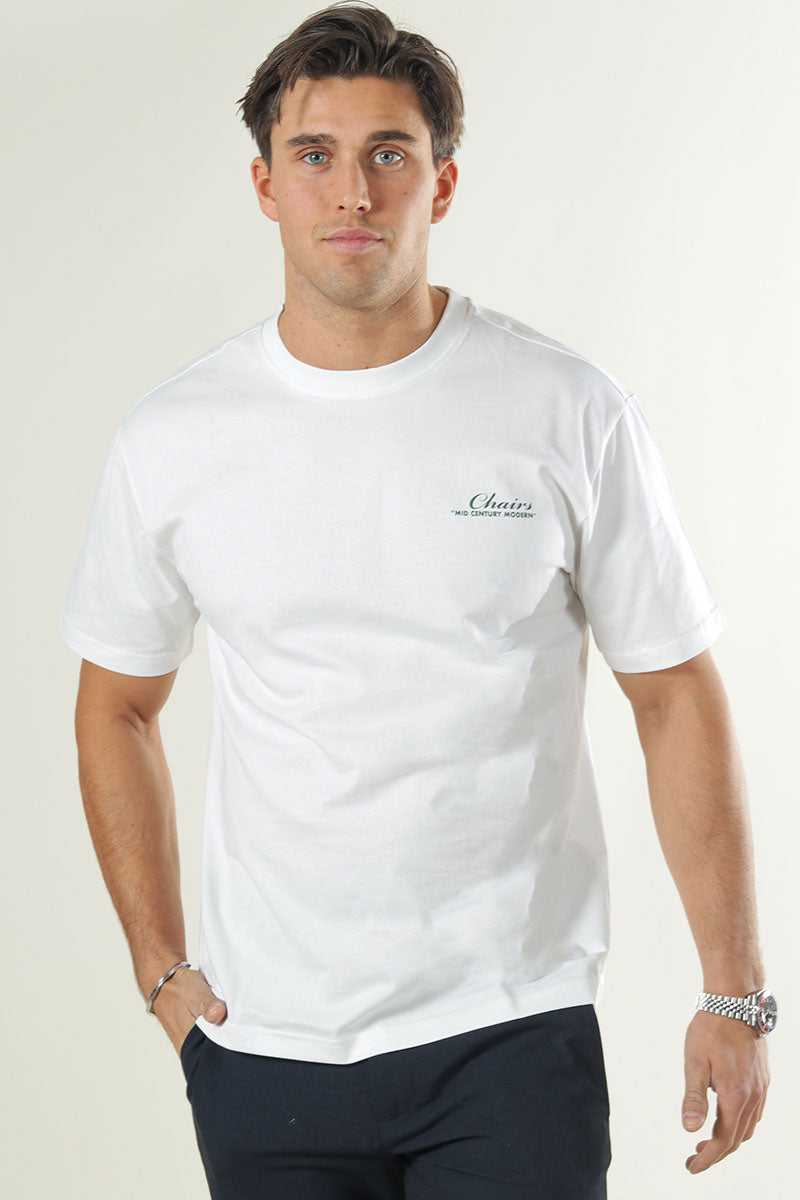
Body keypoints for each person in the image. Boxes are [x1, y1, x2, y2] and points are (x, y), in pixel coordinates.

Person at [59, 3, 774, 1197]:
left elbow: (672, 692)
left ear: (440, 184)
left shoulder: (566, 412)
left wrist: (733, 992)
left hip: (509, 1033)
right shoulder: (173, 441)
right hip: (263, 1044)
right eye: (315, 154)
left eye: (388, 153)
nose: (353, 192)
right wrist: (160, 970)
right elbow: (114, 706)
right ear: (264, 185)